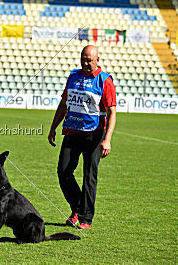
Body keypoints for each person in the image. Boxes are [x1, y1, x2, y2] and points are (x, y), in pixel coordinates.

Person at [48, 45, 116, 230]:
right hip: (72, 131)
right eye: (83, 59)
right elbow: (64, 104)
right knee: (63, 172)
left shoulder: (105, 81)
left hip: (94, 134)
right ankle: (78, 207)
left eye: (89, 60)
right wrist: (53, 127)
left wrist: (107, 139)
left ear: (97, 60)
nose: (86, 63)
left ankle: (86, 218)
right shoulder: (73, 76)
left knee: (89, 176)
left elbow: (112, 112)